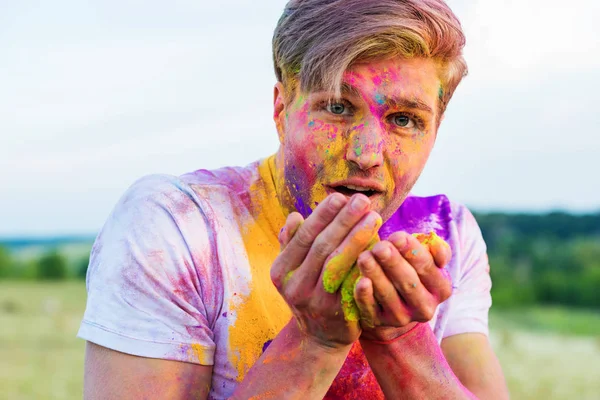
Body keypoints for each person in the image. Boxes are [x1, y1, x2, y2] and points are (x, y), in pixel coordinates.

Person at [79, 0, 509, 398]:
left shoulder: (444, 230)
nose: (366, 154)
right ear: (281, 110)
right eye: (338, 108)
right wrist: (314, 341)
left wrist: (401, 337)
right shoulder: (176, 226)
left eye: (404, 119)